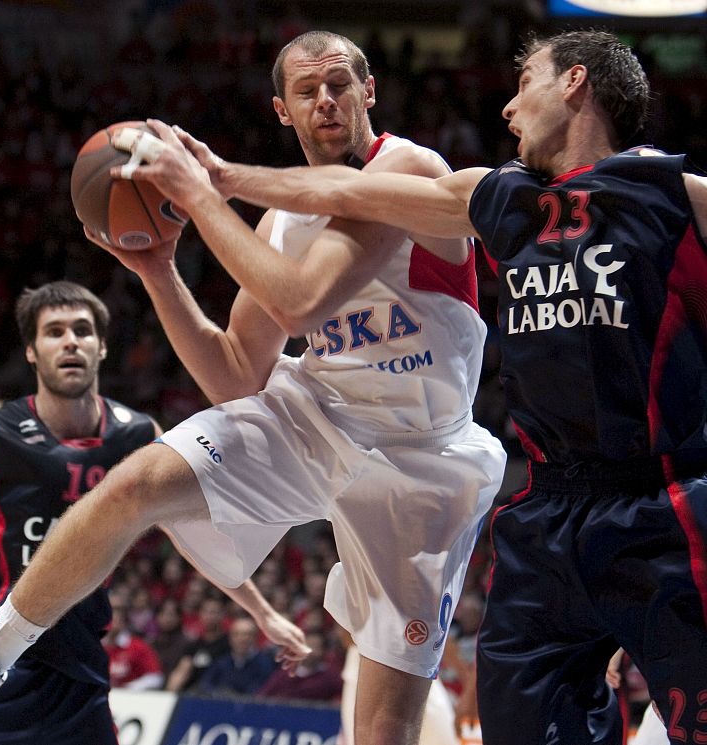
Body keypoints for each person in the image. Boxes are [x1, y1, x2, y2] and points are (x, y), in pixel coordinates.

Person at [0, 30, 505, 745]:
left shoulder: (406, 167)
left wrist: (202, 187)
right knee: (136, 483)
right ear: (281, 110)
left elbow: (302, 302)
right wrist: (158, 270)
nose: (326, 100)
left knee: (384, 726)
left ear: (369, 90)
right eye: (307, 91)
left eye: (340, 84)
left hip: (422, 456)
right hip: (321, 414)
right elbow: (235, 373)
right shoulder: (278, 222)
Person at [145, 28, 707, 745]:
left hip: (665, 498)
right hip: (548, 513)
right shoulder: (501, 195)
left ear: (574, 82)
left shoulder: (680, 197)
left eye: (523, 84)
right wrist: (221, 181)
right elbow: (349, 189)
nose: (507, 107)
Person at [0, 281, 161, 743]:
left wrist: (262, 612)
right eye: (54, 331)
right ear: (30, 350)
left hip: (78, 671)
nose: (70, 342)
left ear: (102, 346)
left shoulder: (139, 437)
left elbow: (192, 534)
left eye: (82, 330)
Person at [197, 616, 276, 697]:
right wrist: (217, 693)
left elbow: (261, 690)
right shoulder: (222, 662)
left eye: (247, 634)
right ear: (230, 638)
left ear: (256, 637)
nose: (241, 639)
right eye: (236, 634)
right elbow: (205, 683)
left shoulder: (265, 663)